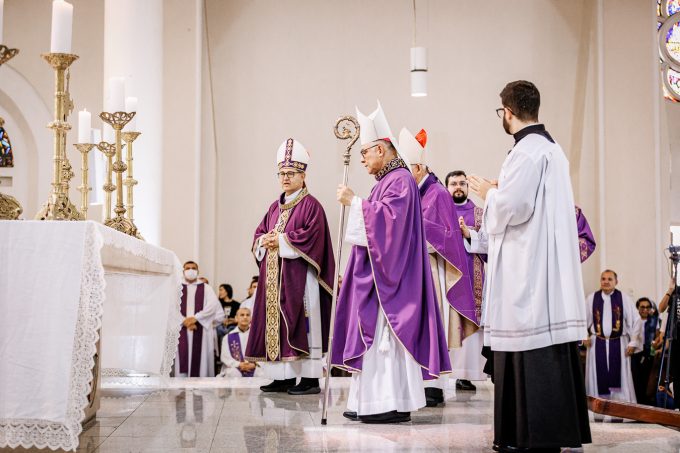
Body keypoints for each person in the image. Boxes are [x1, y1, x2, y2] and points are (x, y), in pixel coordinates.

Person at [467, 81, 591, 450]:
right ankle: (539, 433)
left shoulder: (526, 152)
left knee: (528, 345)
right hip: (542, 266)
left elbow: (514, 209)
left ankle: (527, 436)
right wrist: (500, 189)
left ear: (507, 111)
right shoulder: (550, 148)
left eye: (500, 112)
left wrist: (489, 193)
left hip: (528, 272)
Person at [331, 101, 451, 424]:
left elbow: (391, 226)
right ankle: (368, 401)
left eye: (365, 153)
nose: (362, 159)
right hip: (378, 274)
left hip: (392, 281)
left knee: (384, 341)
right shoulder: (387, 181)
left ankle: (388, 402)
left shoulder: (399, 180)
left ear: (381, 150)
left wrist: (355, 203)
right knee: (374, 342)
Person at [245, 138, 335, 396]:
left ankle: (309, 379)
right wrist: (264, 240)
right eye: (282, 173)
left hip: (301, 282)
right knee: (277, 326)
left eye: (291, 173)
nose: (285, 178)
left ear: (303, 176)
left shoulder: (311, 206)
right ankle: (281, 377)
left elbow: (312, 238)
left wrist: (282, 240)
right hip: (274, 280)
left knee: (305, 325)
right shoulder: (274, 207)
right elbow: (260, 232)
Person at [400, 127, 477, 407]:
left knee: (433, 326)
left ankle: (434, 385)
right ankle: (418, 382)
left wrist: (409, 232)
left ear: (419, 168)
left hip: (433, 271)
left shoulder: (437, 193)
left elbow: (446, 237)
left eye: (406, 170)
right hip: (414, 270)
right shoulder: (415, 192)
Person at [444, 170, 488, 391]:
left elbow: (490, 246)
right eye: (453, 184)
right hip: (446, 277)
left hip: (472, 279)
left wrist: (469, 234)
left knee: (470, 322)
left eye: (462, 183)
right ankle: (443, 374)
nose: (458, 187)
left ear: (468, 187)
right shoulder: (439, 211)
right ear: (446, 188)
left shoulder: (480, 214)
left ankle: (465, 374)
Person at [584, 270, 642, 411]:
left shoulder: (624, 298)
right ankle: (597, 410)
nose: (606, 281)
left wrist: (633, 342)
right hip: (597, 344)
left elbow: (636, 320)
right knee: (597, 376)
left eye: (610, 279)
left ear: (616, 282)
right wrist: (584, 336)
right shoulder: (591, 298)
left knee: (620, 377)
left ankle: (621, 409)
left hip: (619, 344)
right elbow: (582, 319)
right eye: (603, 279)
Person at [175, 261, 223, 377]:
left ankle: (201, 386)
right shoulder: (177, 288)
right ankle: (181, 385)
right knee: (182, 358)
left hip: (200, 329)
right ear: (183, 271)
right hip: (182, 328)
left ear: (198, 271)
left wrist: (196, 318)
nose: (190, 270)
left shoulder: (206, 288)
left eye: (193, 268)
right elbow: (171, 307)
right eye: (187, 268)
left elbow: (212, 306)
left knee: (201, 363)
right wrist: (184, 321)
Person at [630, 297, 661, 405]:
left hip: (648, 353)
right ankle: (638, 403)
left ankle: (646, 404)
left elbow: (658, 335)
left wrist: (655, 344)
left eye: (648, 307)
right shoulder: (633, 320)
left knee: (647, 380)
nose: (645, 310)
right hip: (635, 353)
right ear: (638, 308)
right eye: (642, 307)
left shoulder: (654, 320)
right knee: (636, 380)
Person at [220, 308, 260, 377]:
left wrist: (254, 364)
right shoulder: (228, 337)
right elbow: (225, 357)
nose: (245, 317)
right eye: (242, 315)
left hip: (253, 367)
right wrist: (239, 364)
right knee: (233, 373)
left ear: (251, 318)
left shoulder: (256, 336)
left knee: (261, 373)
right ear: (236, 318)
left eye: (247, 315)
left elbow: (262, 355)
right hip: (235, 368)